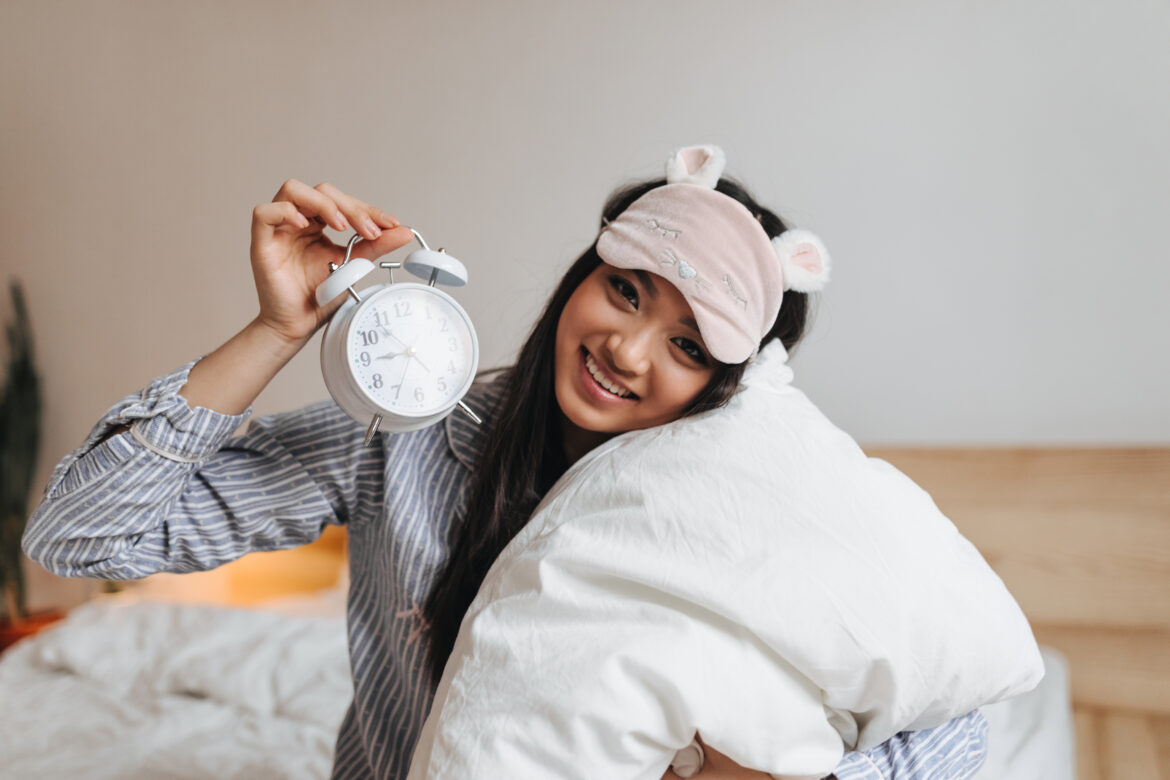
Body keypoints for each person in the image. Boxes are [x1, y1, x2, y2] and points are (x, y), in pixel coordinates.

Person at [24, 146, 989, 779]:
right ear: (583, 275)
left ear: (728, 387)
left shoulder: (750, 508)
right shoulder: (411, 428)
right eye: (623, 292)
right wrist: (279, 328)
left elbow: (960, 720)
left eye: (690, 347)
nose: (629, 350)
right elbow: (80, 534)